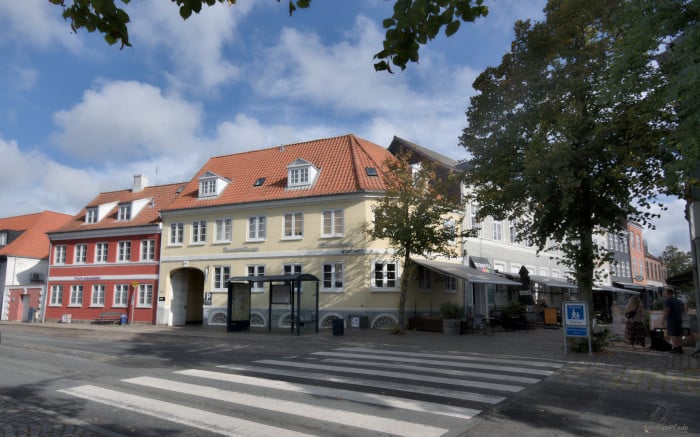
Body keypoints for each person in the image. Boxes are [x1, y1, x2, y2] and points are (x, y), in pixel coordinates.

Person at [662, 287, 685, 354]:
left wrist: (663, 320)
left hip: (672, 320)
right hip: (679, 319)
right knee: (679, 334)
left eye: (665, 292)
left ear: (668, 293)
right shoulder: (678, 301)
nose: (664, 294)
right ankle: (680, 348)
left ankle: (675, 348)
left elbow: (667, 311)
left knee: (673, 334)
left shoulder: (668, 300)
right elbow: (682, 311)